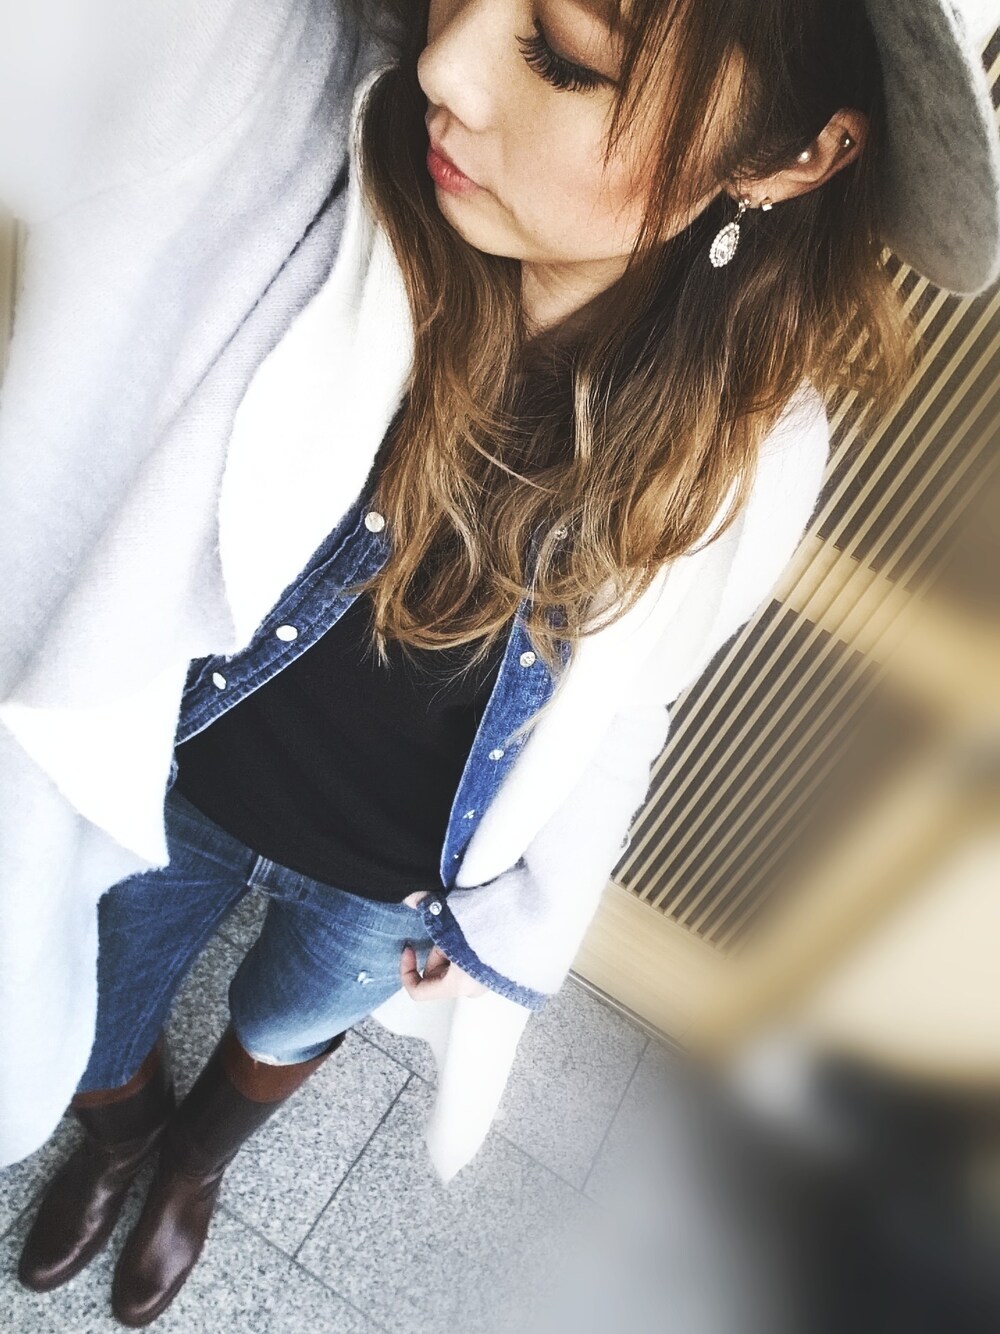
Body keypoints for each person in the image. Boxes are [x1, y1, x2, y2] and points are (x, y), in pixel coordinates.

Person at [3, 0, 999, 1325]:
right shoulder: (312, 184)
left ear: (791, 155)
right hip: (177, 789)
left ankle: (194, 1163)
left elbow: (632, 706)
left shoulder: (760, 450)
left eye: (565, 56)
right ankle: (122, 1137)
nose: (445, 64)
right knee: (93, 997)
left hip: (396, 886)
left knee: (288, 1027)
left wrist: (513, 933)